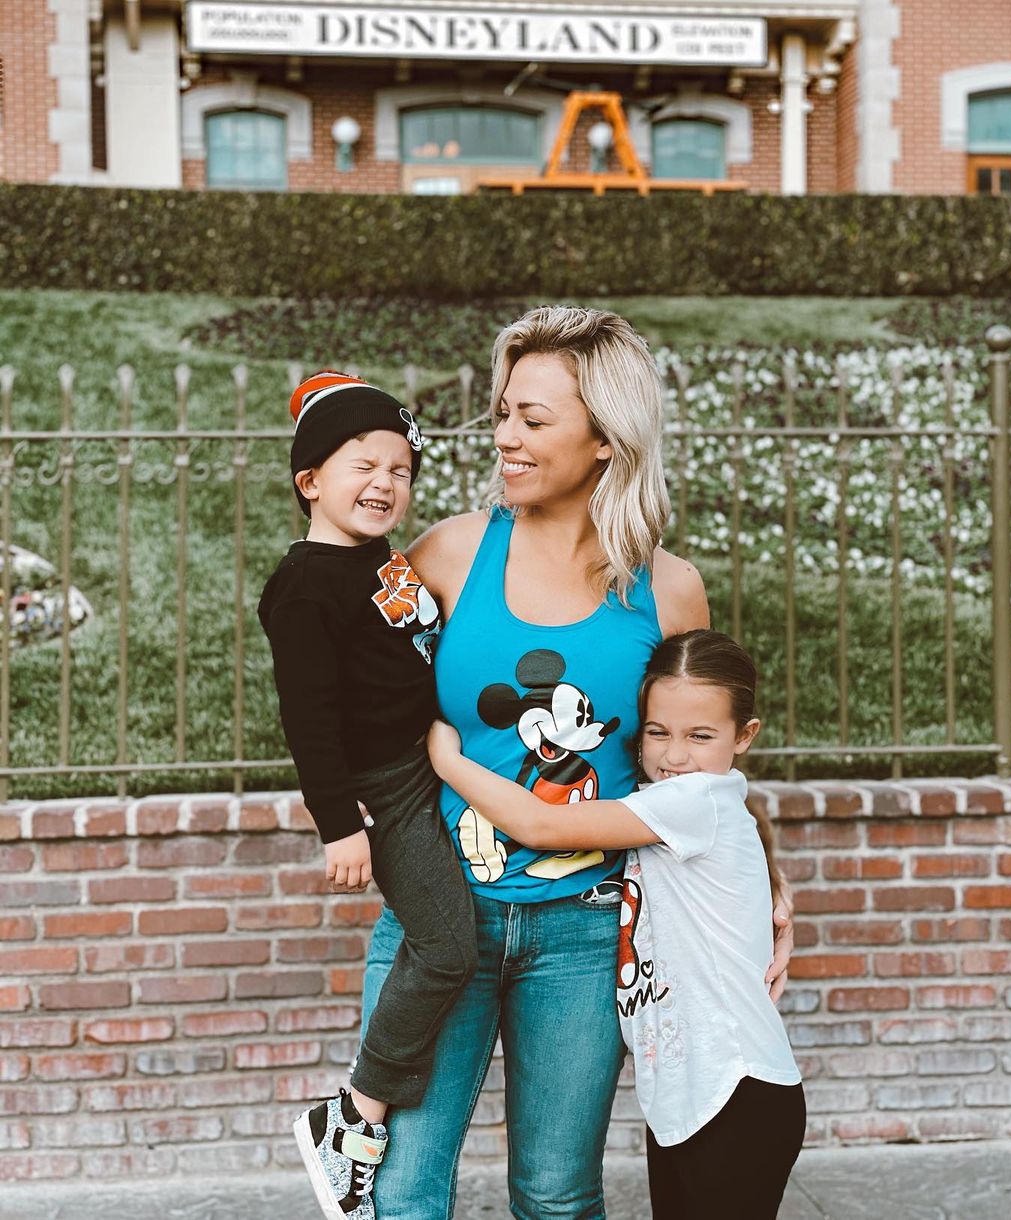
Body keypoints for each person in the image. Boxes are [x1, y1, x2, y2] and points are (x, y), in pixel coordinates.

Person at [354, 306, 795, 1219]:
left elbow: (697, 766)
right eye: (503, 412)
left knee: (556, 1197)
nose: (504, 438)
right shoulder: (447, 552)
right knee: (399, 1192)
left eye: (533, 419)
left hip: (589, 933)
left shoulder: (667, 590)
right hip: (439, 923)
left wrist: (773, 885)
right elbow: (346, 684)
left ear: (604, 439)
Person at [427, 629, 805, 1220]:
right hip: (685, 1098)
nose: (675, 755)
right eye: (658, 732)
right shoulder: (668, 803)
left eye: (700, 736)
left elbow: (543, 827)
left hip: (737, 1090)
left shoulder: (692, 801)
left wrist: (447, 759)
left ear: (745, 736)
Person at [257, 371, 478, 1220]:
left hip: (432, 761)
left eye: (400, 469)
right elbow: (308, 718)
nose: (385, 482)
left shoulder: (376, 560)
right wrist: (338, 823)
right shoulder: (306, 586)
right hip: (384, 793)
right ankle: (354, 1114)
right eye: (362, 465)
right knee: (448, 947)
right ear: (311, 480)